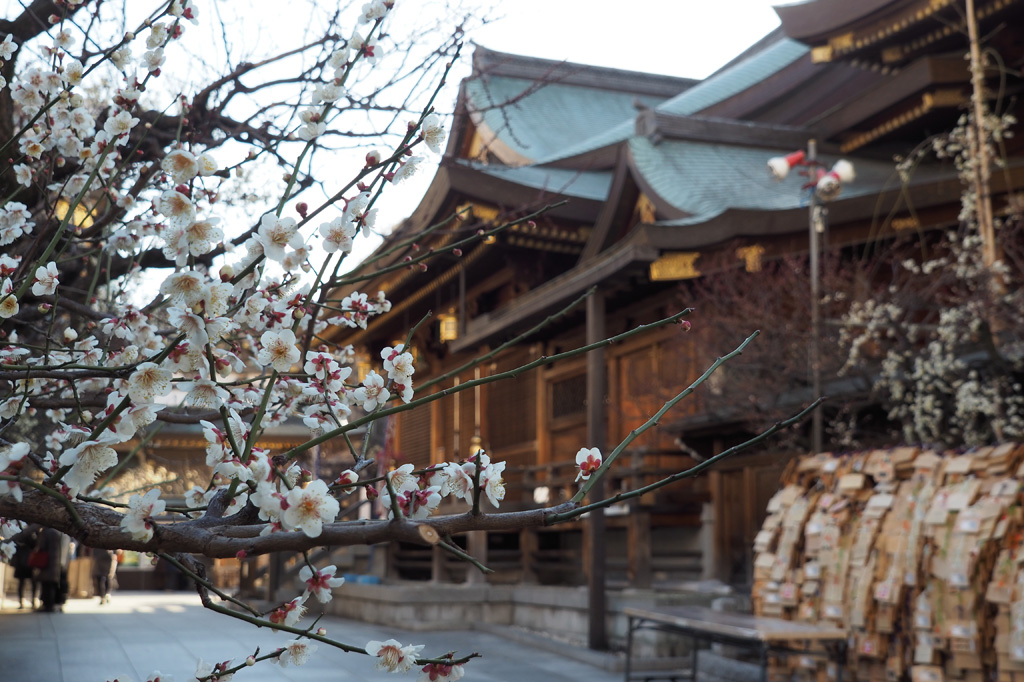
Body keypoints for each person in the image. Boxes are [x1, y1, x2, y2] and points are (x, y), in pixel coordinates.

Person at [35, 527, 71, 613]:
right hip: (61, 563)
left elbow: (42, 546)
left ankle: (48, 605)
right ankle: (57, 603)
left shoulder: (47, 531)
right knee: (55, 584)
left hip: (48, 562)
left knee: (48, 584)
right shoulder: (63, 533)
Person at [12, 529, 39, 609]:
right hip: (29, 560)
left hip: (21, 560)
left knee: (22, 582)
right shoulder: (31, 534)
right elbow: (35, 544)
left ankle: (22, 601)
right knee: (32, 582)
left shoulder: (19, 534)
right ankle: (32, 600)